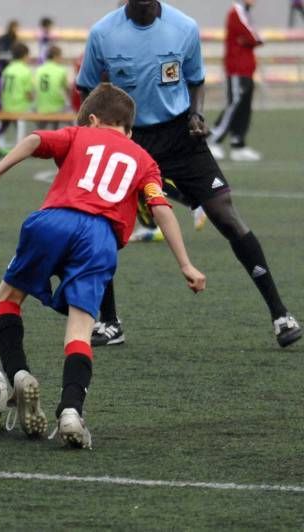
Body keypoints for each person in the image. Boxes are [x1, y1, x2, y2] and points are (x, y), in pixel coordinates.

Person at [0, 83, 206, 448]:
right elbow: (161, 209)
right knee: (80, 328)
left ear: (94, 119)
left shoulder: (80, 133)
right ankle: (70, 411)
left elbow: (34, 139)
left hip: (53, 221)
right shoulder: (144, 161)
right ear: (128, 129)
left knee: (7, 297)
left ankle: (18, 374)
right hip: (100, 239)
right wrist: (186, 265)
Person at [77, 0, 301, 348]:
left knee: (226, 214)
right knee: (103, 225)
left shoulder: (184, 28)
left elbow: (196, 80)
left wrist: (197, 115)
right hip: (130, 138)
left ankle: (280, 314)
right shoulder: (103, 33)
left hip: (181, 136)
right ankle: (109, 322)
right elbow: (88, 89)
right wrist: (91, 137)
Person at [208, 0, 263, 162]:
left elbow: (253, 37)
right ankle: (212, 139)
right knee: (234, 103)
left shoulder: (246, 13)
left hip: (247, 68)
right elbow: (253, 36)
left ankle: (238, 143)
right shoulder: (236, 12)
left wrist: (252, 39)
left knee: (245, 105)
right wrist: (252, 39)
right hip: (237, 68)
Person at [0, 42, 35, 142]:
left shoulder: (7, 69)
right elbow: (28, 94)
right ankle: (23, 143)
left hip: (6, 105)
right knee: (34, 113)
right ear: (24, 56)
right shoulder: (25, 71)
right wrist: (33, 100)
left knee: (6, 124)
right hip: (20, 107)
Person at [34, 45, 68, 119]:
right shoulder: (61, 70)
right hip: (57, 107)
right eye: (60, 56)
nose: (61, 59)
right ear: (56, 56)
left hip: (40, 108)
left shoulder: (38, 70)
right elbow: (67, 90)